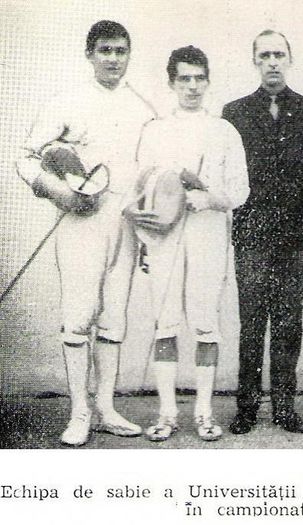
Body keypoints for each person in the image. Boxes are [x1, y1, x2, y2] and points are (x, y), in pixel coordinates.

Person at [16, 20, 157, 446]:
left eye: (120, 50)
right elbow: (26, 158)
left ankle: (106, 408)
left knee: (114, 318)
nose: (113, 58)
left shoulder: (144, 107)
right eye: (105, 51)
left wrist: (150, 230)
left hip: (126, 223)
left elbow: (150, 173)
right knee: (79, 317)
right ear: (90, 54)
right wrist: (60, 192)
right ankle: (79, 412)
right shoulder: (68, 101)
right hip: (82, 219)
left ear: (129, 55)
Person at [124, 46, 249, 442]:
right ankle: (166, 413)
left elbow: (241, 191)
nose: (192, 86)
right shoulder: (155, 129)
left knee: (205, 324)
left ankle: (204, 413)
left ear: (208, 81)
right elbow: (140, 184)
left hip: (209, 234)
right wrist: (153, 208)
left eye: (199, 78)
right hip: (164, 238)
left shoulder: (224, 131)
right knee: (166, 323)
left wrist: (209, 198)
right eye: (184, 79)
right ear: (171, 83)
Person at [222, 30, 303, 434]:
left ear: (290, 58)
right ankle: (246, 406)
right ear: (254, 60)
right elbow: (229, 170)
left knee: (287, 322)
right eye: (264, 55)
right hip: (251, 230)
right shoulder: (233, 113)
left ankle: (284, 406)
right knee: (251, 321)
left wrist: (291, 205)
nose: (272, 62)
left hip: (295, 230)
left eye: (279, 54)